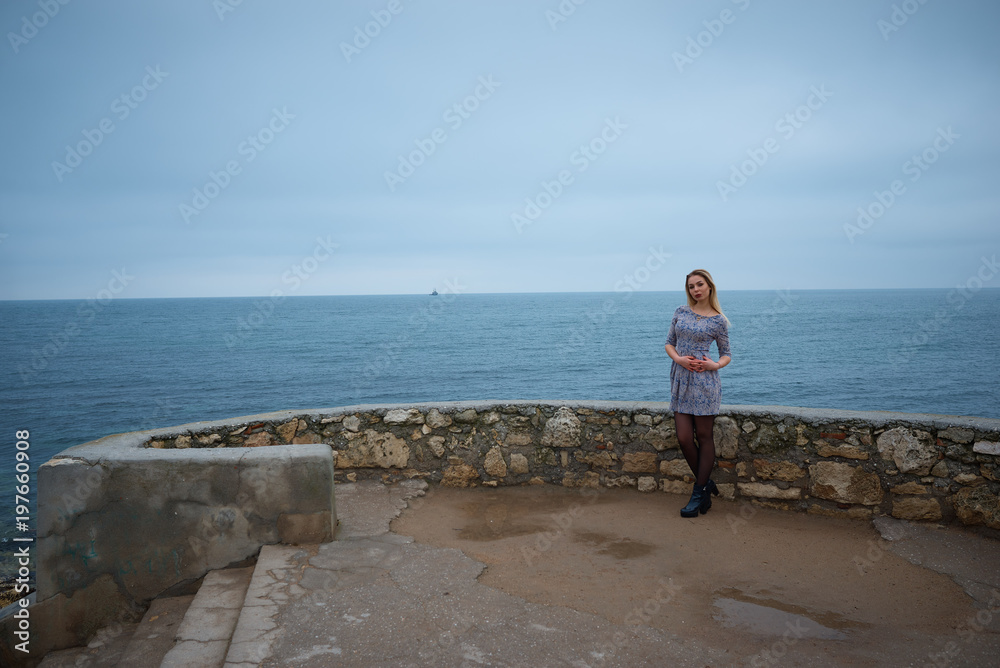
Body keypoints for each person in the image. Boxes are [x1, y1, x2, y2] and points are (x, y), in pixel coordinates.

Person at [664, 269, 731, 518]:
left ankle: (697, 493)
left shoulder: (718, 320)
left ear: (709, 287)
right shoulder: (680, 312)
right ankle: (705, 486)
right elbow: (669, 342)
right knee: (683, 437)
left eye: (700, 285)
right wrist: (679, 360)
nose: (696, 290)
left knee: (704, 436)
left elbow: (727, 354)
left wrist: (715, 365)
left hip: (705, 382)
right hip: (681, 378)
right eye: (691, 286)